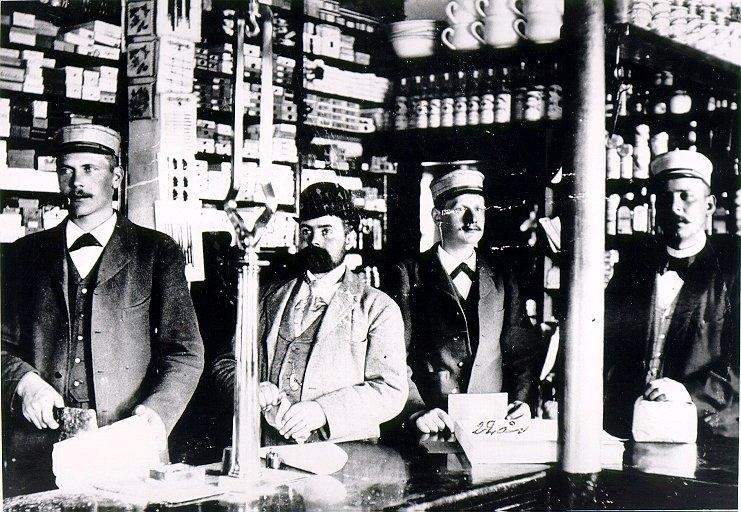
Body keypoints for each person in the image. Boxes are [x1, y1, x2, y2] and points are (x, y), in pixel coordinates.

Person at [1, 124, 205, 490]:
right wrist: (24, 384)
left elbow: (185, 352)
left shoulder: (156, 252)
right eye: (66, 170)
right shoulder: (23, 253)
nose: (76, 182)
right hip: (36, 454)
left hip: (126, 448)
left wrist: (155, 415)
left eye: (89, 169)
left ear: (117, 177)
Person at [211, 182, 408, 444]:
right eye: (306, 231)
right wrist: (249, 388)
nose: (314, 240)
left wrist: (322, 411)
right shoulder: (268, 297)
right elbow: (226, 362)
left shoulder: (377, 307)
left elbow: (390, 389)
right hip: (267, 449)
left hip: (344, 453)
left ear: (349, 238)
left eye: (326, 231)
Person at [386, 168, 539, 434]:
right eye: (460, 209)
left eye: (479, 209)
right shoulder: (408, 274)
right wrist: (415, 409)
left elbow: (520, 353)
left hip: (490, 425)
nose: (473, 219)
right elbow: (394, 357)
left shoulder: (502, 275)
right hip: (432, 423)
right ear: (437, 216)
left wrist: (522, 401)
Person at [604, 149, 738, 439]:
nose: (675, 207)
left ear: (709, 205)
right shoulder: (632, 269)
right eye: (666, 198)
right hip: (626, 429)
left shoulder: (731, 274)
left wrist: (689, 392)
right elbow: (607, 349)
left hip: (701, 430)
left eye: (686, 196)